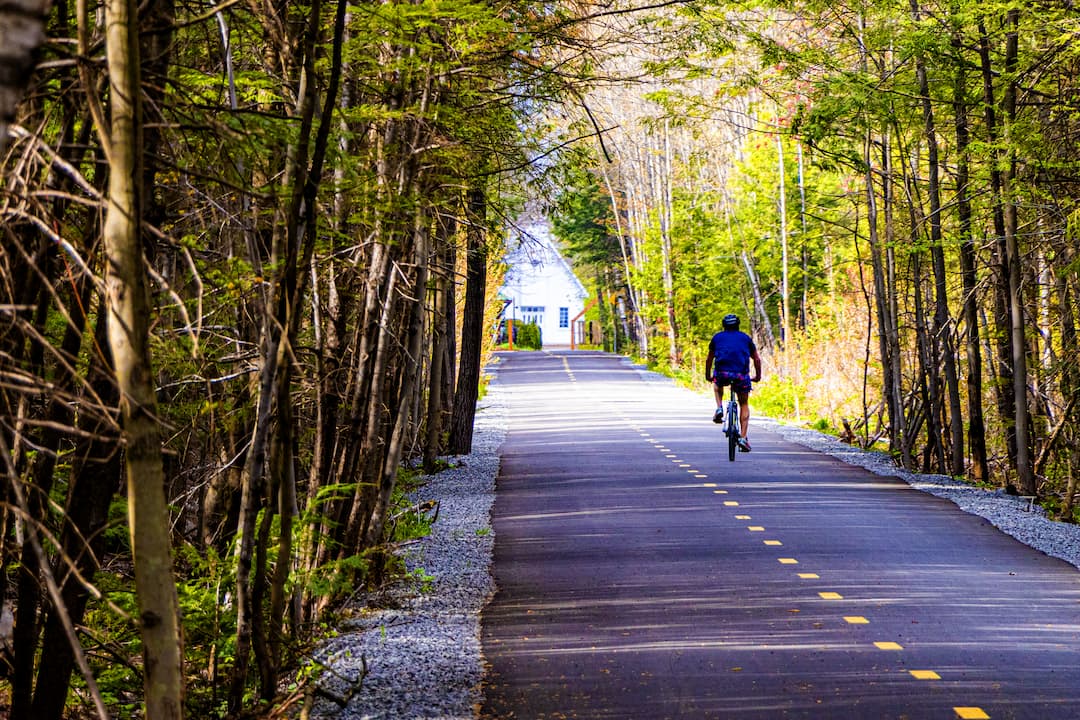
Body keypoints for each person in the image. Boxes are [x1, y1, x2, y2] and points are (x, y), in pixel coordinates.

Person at [705, 313, 762, 451]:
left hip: (722, 373)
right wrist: (757, 376)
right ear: (738, 325)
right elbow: (757, 359)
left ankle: (719, 408)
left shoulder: (717, 338)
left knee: (717, 385)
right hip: (741, 375)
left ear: (724, 326)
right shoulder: (746, 338)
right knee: (743, 403)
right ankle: (743, 437)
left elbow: (709, 359)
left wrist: (708, 375)